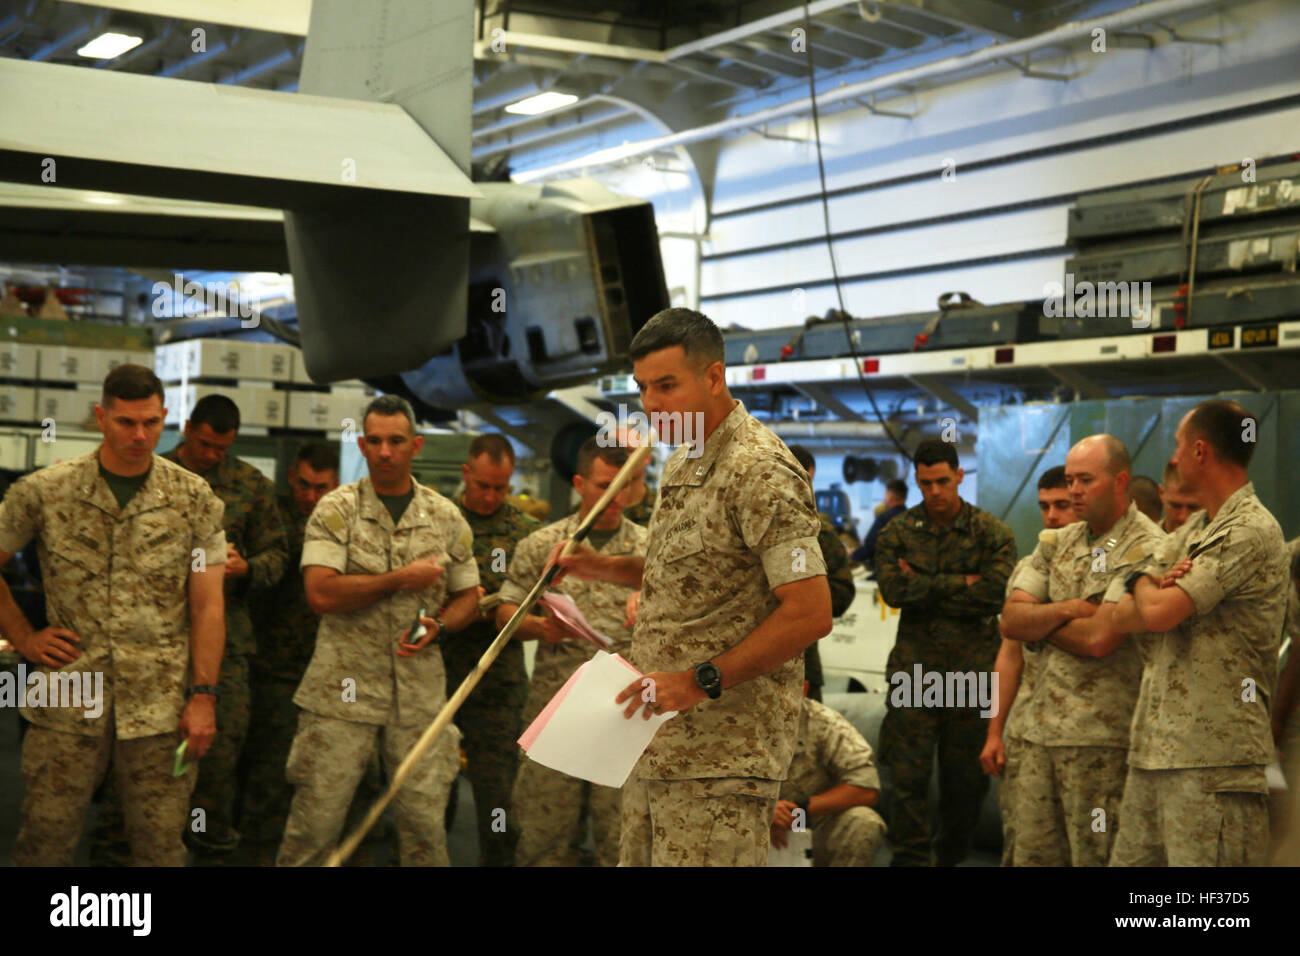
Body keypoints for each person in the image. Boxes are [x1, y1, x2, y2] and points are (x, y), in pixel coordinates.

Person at [549, 307, 833, 867]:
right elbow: (681, 574)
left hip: (723, 751)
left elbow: (809, 612)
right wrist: (595, 567)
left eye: (667, 385)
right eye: (643, 388)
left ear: (713, 377)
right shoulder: (682, 461)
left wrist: (699, 681)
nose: (651, 404)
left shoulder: (761, 470)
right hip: (658, 740)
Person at [0, 364, 226, 866]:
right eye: (126, 422)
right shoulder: (46, 491)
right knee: (45, 837)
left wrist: (205, 696)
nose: (140, 435)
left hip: (161, 703)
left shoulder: (193, 500)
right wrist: (24, 636)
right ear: (101, 417)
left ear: (165, 417)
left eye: (150, 422)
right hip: (67, 691)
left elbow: (208, 605)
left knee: (161, 844)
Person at [1050, 400, 1288, 866]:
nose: (1173, 457)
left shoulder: (1250, 529)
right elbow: (1118, 616)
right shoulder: (1195, 528)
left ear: (1200, 451)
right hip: (1155, 751)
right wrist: (1148, 588)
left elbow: (1154, 613)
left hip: (1214, 762)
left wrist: (1141, 582)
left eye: (1179, 445)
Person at [277, 395, 482, 866]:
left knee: (426, 830)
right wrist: (399, 581)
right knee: (314, 825)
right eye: (375, 441)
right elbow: (321, 594)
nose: (385, 451)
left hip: (418, 697)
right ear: (362, 445)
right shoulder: (337, 511)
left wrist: (440, 624)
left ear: (417, 445)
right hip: (341, 693)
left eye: (396, 441)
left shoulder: (446, 516)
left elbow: (469, 595)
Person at [998, 436, 1164, 866]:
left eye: (1085, 480)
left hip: (1101, 744)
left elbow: (1100, 639)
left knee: (1095, 855)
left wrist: (1043, 619)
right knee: (1031, 856)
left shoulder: (1146, 545)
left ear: (1119, 480)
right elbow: (1011, 621)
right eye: (1070, 479)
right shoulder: (1057, 542)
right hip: (1037, 736)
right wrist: (1071, 609)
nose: (1073, 491)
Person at [499, 437, 647, 866]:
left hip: (624, 715)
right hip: (556, 711)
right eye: (605, 485)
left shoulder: (651, 548)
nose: (617, 497)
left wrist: (648, 605)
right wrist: (540, 627)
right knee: (545, 835)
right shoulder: (544, 545)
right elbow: (505, 610)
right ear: (580, 484)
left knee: (621, 839)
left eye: (626, 485)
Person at [156, 393, 288, 862]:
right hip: (159, 639)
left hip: (227, 644)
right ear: (188, 428)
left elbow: (279, 556)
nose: (212, 455)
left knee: (219, 756)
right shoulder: (156, 476)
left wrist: (246, 568)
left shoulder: (251, 485)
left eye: (222, 448)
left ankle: (210, 844)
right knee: (152, 758)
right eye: (206, 444)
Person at [874, 438, 1016, 867]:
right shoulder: (897, 532)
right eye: (925, 483)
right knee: (906, 779)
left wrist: (927, 582)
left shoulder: (992, 533)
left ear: (958, 476)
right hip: (914, 675)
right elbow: (895, 591)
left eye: (942, 481)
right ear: (916, 481)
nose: (934, 492)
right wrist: (963, 581)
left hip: (970, 678)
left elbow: (995, 595)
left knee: (965, 785)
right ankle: (912, 862)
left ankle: (952, 860)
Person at [238, 442, 339, 864]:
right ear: (290, 477)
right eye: (303, 484)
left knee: (325, 781)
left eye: (321, 487)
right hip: (271, 666)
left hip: (328, 672)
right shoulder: (270, 513)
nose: (310, 496)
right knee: (267, 775)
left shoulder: (344, 520)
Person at [443, 433, 539, 866]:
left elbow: (533, 604)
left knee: (498, 795)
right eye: (482, 485)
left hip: (497, 683)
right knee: (429, 789)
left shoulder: (523, 532)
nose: (490, 496)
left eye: (500, 487)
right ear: (466, 474)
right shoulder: (438, 520)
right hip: (437, 675)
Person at [980, 465, 1073, 865]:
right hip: (1028, 732)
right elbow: (1009, 653)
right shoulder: (1030, 568)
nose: (1052, 515)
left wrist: (1039, 620)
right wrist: (995, 732)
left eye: (1062, 505)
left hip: (1089, 733)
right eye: (1045, 506)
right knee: (1026, 850)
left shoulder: (1108, 558)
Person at [773, 686, 886, 866]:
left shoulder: (823, 722)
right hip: (745, 823)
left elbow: (866, 789)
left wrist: (797, 812)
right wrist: (764, 811)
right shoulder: (728, 720)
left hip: (803, 821)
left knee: (864, 822)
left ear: (803, 688)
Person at [787, 444, 857, 702]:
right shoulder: (754, 528)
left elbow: (842, 595)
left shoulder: (819, 534)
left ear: (811, 475)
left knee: (805, 739)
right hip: (749, 667)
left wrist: (804, 595)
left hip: (802, 665)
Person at [851, 479, 908, 574]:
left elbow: (870, 546)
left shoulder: (884, 519)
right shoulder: (910, 518)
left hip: (885, 574)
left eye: (885, 495)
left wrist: (853, 555)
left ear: (890, 496)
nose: (884, 499)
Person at [1158, 461, 1200, 534]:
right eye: (1176, 506)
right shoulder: (1143, 542)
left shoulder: (1221, 541)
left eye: (1192, 507)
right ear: (1161, 494)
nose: (1183, 517)